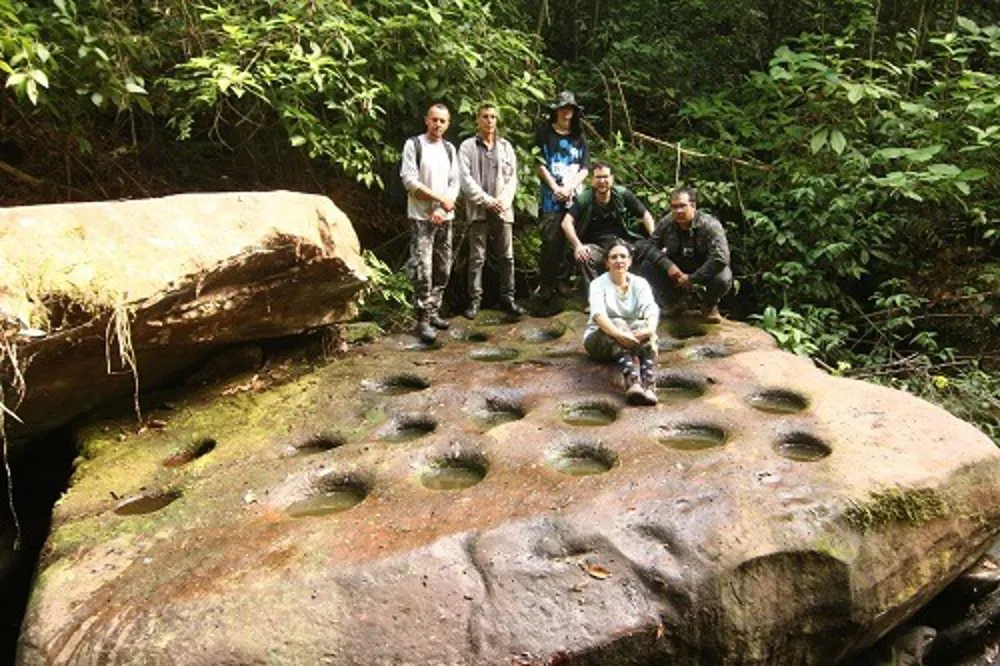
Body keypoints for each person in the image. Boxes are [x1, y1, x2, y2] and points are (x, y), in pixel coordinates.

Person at [400, 103, 461, 344]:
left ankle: (434, 310)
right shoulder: (414, 145)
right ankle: (422, 318)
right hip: (421, 217)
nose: (438, 125)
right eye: (434, 120)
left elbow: (455, 182)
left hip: (445, 217)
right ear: (427, 120)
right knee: (423, 269)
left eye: (442, 121)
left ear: (448, 124)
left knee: (443, 267)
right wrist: (438, 201)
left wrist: (443, 207)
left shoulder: (449, 149)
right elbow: (410, 182)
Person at [458, 103, 525, 320]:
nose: (489, 121)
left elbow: (512, 178)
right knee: (477, 257)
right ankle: (474, 302)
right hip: (478, 210)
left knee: (507, 257)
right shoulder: (467, 147)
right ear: (477, 120)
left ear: (497, 120)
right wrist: (487, 201)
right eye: (485, 116)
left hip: (503, 210)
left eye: (493, 117)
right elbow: (465, 179)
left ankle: (508, 299)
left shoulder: (506, 147)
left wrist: (502, 201)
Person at [635, 186, 732, 323]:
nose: (678, 211)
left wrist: (692, 279)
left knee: (723, 277)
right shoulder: (667, 222)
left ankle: (709, 305)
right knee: (647, 267)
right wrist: (668, 266)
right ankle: (674, 302)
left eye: (682, 206)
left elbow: (720, 258)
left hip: (704, 268)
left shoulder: (710, 225)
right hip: (677, 267)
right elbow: (649, 247)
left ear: (693, 206)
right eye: (674, 207)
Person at [584, 239, 660, 406]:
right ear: (607, 262)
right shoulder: (597, 284)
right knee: (617, 323)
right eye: (614, 257)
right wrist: (619, 334)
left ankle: (649, 385)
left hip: (631, 336)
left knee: (647, 330)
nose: (619, 260)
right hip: (600, 340)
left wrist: (650, 329)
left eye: (623, 256)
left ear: (630, 261)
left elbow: (650, 308)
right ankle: (632, 382)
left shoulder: (640, 283)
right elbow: (598, 315)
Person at [561, 162, 655, 284]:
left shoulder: (622, 194)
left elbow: (646, 215)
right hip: (599, 247)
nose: (602, 181)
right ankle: (596, 293)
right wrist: (578, 245)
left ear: (612, 179)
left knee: (650, 250)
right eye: (598, 177)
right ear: (592, 180)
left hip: (625, 243)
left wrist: (654, 238)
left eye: (605, 177)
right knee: (585, 257)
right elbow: (566, 222)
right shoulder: (585, 198)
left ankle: (645, 291)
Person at [536, 90, 589, 302]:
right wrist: (555, 188)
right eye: (563, 108)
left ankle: (563, 281)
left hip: (574, 196)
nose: (567, 112)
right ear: (556, 110)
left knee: (572, 239)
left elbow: (585, 167)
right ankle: (546, 284)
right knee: (550, 241)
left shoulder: (579, 136)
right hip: (551, 197)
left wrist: (569, 188)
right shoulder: (545, 133)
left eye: (570, 109)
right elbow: (539, 163)